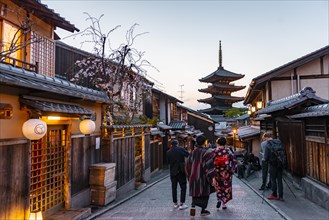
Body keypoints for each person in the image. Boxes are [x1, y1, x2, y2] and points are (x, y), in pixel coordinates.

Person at [185, 135, 216, 217]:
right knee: (205, 193)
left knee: (195, 192)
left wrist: (189, 175)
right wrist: (213, 177)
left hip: (193, 176)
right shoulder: (206, 153)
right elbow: (209, 166)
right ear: (204, 142)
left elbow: (187, 165)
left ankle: (193, 206)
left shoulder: (192, 153)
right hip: (203, 177)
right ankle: (203, 210)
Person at [212, 137, 237, 210]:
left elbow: (210, 161)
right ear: (225, 143)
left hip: (217, 172)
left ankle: (219, 199)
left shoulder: (214, 151)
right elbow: (234, 161)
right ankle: (223, 204)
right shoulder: (228, 151)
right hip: (226, 173)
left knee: (218, 187)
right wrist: (232, 170)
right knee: (226, 187)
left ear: (217, 143)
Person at [166, 139, 189, 210]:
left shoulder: (168, 152)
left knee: (174, 187)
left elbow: (168, 162)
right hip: (181, 171)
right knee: (183, 187)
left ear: (171, 145)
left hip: (173, 171)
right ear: (177, 144)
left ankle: (175, 203)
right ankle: (182, 203)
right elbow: (187, 154)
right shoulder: (180, 149)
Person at [262, 132, 284, 201]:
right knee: (280, 180)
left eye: (264, 138)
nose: (264, 140)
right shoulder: (278, 142)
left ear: (266, 137)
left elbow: (265, 157)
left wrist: (266, 160)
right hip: (280, 164)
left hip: (272, 164)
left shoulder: (267, 144)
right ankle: (281, 196)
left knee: (273, 180)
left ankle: (274, 194)